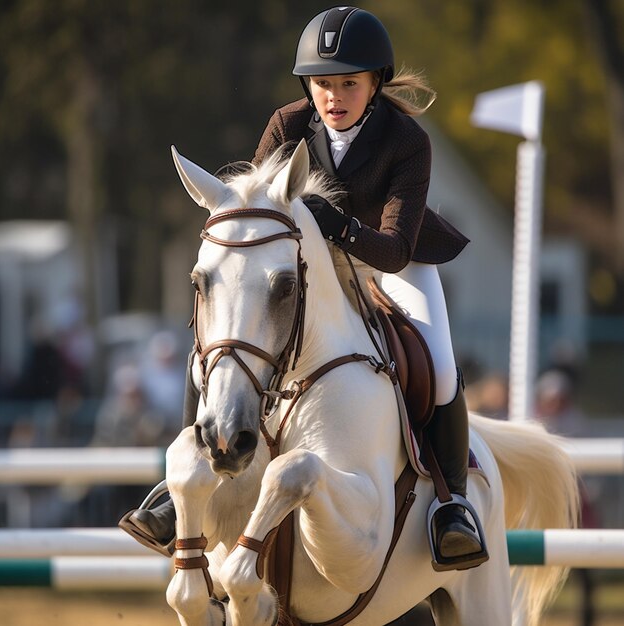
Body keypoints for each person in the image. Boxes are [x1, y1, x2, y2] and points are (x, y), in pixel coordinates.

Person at [121, 6, 487, 570]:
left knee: (437, 365)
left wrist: (335, 223)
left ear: (375, 83)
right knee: (218, 347)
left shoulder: (408, 142)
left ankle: (451, 503)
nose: (333, 97)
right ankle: (179, 487)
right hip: (302, 266)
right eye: (323, 84)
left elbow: (393, 249)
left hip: (391, 260)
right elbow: (256, 212)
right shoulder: (288, 124)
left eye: (348, 84)